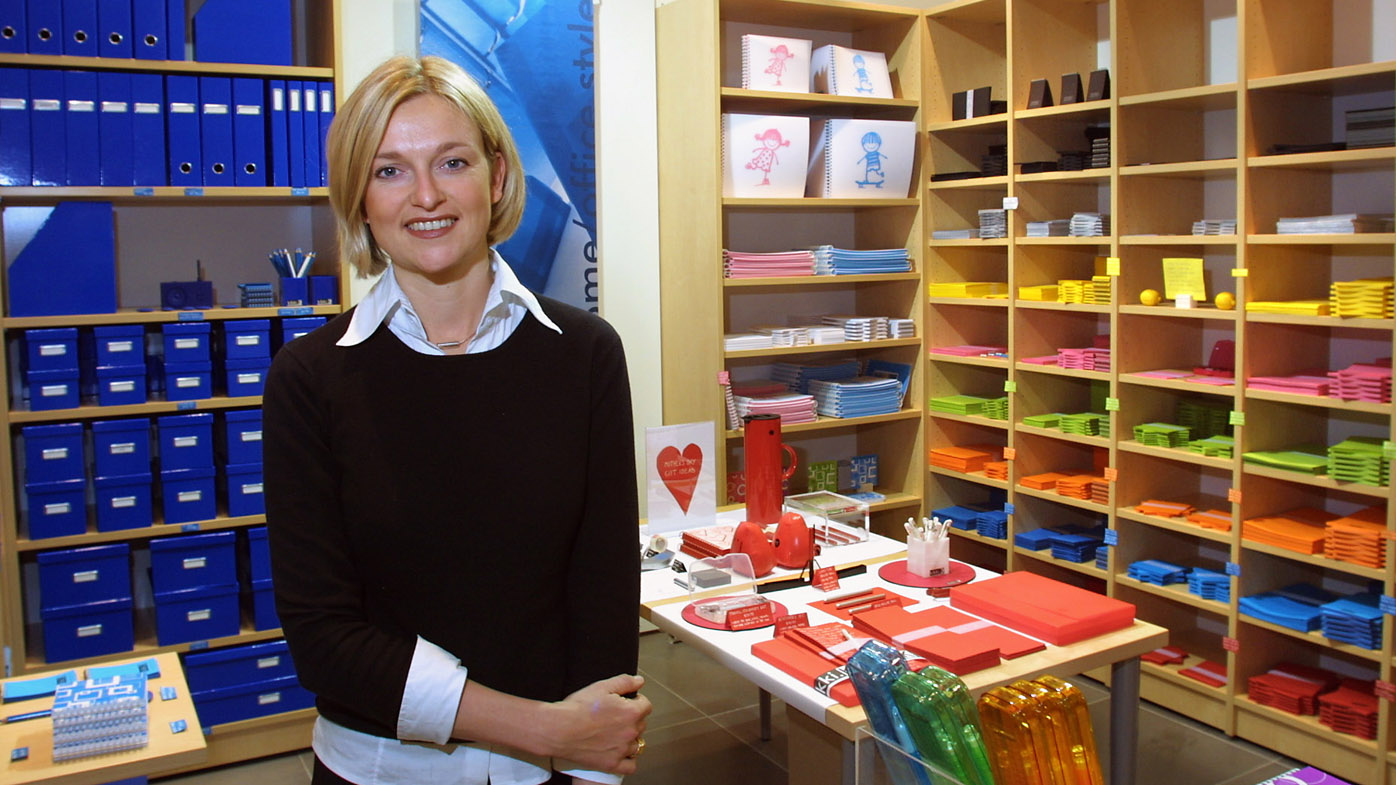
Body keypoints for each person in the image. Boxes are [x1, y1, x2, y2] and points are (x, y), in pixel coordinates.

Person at [262, 54, 651, 785]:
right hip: (378, 770)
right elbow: (322, 636)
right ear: (359, 199)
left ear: (496, 177)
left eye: (452, 162)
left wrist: (591, 761)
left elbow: (602, 587)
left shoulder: (585, 354)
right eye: (389, 170)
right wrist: (542, 728)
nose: (426, 195)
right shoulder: (308, 379)